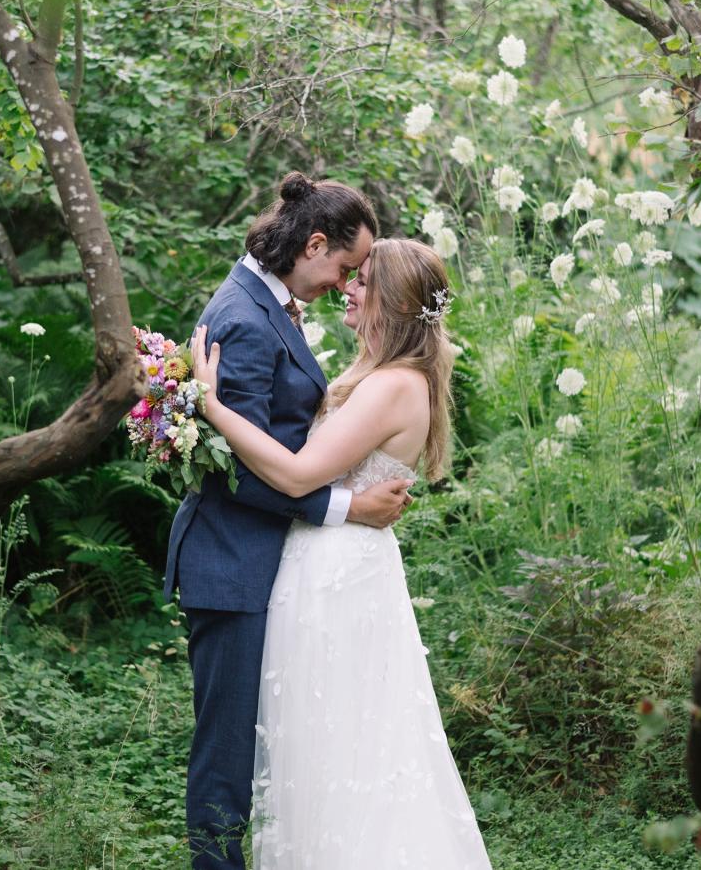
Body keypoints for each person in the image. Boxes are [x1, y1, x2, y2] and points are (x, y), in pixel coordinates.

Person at [190, 237, 492, 870]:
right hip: (324, 567)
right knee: (322, 749)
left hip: (340, 578)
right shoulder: (373, 374)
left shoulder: (394, 386)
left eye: (362, 283)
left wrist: (212, 407)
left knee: (347, 749)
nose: (347, 289)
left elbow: (299, 476)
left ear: (395, 302)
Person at [163, 172, 416, 870]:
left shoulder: (266, 301)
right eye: (344, 267)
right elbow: (234, 466)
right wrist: (347, 506)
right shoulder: (245, 317)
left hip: (257, 559)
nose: (346, 284)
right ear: (311, 244)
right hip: (231, 563)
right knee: (227, 758)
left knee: (257, 747)